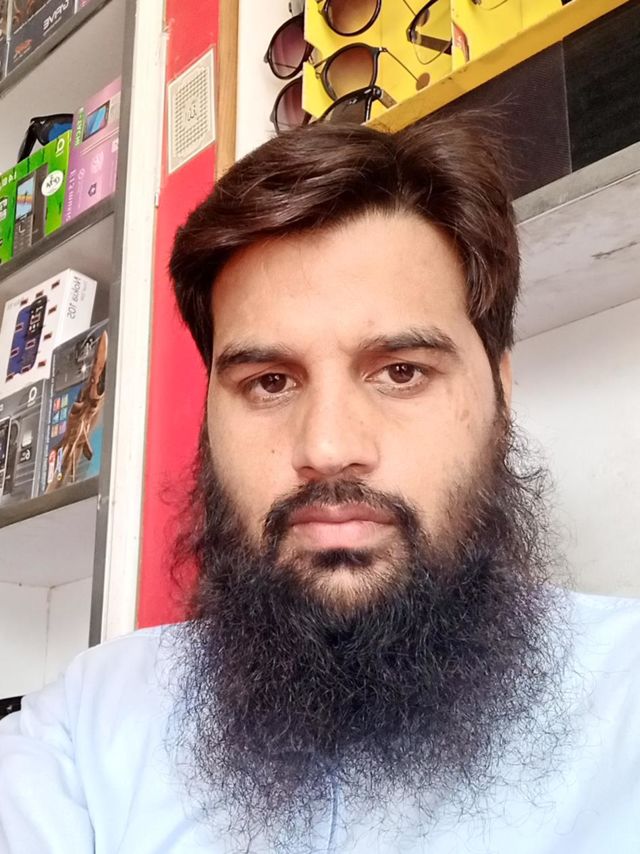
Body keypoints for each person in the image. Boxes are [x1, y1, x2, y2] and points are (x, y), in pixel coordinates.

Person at [0, 117, 638, 854]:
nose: (328, 449)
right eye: (269, 382)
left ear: (500, 389)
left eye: (401, 372)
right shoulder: (86, 731)